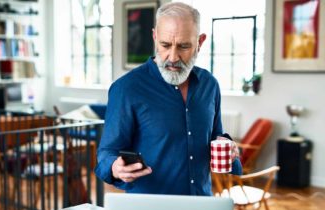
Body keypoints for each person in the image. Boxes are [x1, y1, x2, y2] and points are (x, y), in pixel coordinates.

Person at [95, 2, 242, 196]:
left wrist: (230, 150)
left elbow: (216, 136)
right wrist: (114, 166)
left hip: (200, 205)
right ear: (155, 37)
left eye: (183, 46)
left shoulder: (210, 85)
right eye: (165, 45)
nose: (173, 57)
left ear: (200, 42)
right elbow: (107, 152)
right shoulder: (127, 88)